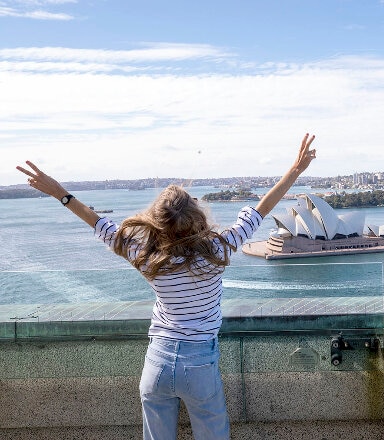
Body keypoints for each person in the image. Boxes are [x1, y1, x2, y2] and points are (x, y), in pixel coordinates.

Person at [16, 133, 316, 440]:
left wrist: (59, 193)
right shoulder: (218, 250)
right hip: (199, 362)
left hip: (157, 362)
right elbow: (258, 211)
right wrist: (295, 169)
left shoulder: (145, 256)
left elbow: (97, 222)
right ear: (196, 218)